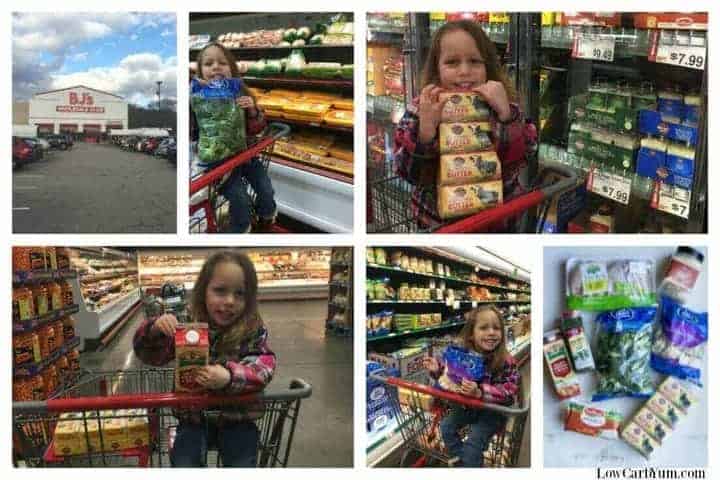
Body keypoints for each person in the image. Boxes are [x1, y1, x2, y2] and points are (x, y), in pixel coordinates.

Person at [134, 250, 276, 467]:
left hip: (237, 418)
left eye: (240, 294)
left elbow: (263, 365)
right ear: (203, 292)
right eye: (220, 291)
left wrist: (230, 376)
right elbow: (151, 356)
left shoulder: (252, 329)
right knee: (184, 461)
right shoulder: (185, 324)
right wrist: (154, 330)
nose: (229, 301)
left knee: (242, 462)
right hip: (193, 418)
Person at [393, 20, 535, 231]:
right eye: (452, 62)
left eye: (475, 61)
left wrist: (506, 116)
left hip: (496, 220)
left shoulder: (503, 106)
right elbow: (408, 173)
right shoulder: (421, 109)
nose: (465, 71)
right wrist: (424, 134)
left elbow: (525, 155)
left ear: (488, 66)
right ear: (436, 68)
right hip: (440, 224)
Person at [191, 42, 277, 233]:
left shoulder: (241, 93)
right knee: (240, 201)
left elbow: (258, 127)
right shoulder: (196, 96)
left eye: (222, 62)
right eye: (208, 64)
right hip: (220, 164)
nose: (215, 67)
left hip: (245, 154)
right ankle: (240, 229)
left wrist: (253, 111)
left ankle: (266, 217)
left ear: (232, 68)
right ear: (200, 71)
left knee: (266, 189)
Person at [424, 306, 520, 467]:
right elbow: (452, 377)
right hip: (468, 407)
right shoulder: (463, 356)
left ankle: (468, 462)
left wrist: (480, 392)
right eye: (484, 328)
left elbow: (509, 391)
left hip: (492, 412)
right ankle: (462, 462)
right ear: (471, 334)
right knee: (446, 426)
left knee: (473, 445)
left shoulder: (505, 361)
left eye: (496, 328)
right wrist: (437, 370)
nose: (491, 332)